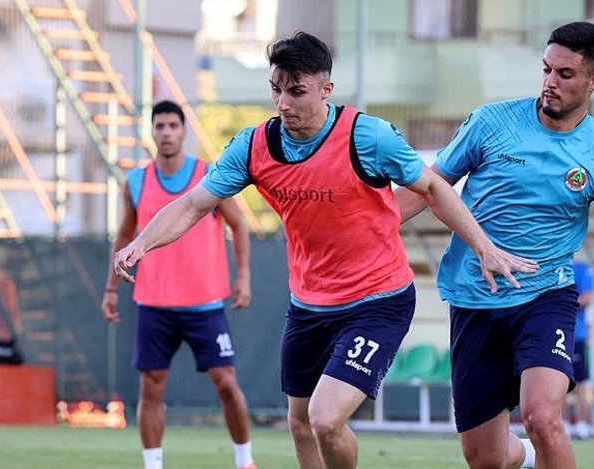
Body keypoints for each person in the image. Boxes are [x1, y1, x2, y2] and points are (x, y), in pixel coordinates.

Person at [112, 32, 537, 469]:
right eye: (276, 89)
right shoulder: (253, 147)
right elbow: (192, 205)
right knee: (300, 423)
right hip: (309, 306)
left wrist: (483, 246)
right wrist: (141, 243)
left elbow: (432, 187)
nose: (283, 103)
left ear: (325, 89)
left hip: (378, 301)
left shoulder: (368, 137)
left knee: (325, 418)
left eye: (296, 91)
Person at [397, 21, 594, 469]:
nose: (550, 82)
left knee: (542, 417)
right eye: (547, 69)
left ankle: (540, 443)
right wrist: (366, 231)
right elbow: (429, 187)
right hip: (475, 297)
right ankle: (528, 456)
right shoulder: (491, 122)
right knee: (486, 459)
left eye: (565, 74)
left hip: (545, 295)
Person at [101, 100, 256, 469]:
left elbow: (238, 225)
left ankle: (244, 460)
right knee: (150, 386)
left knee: (226, 382)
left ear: (184, 131)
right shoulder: (135, 182)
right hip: (154, 304)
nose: (166, 132)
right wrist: (110, 289)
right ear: (152, 132)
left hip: (205, 304)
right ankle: (153, 464)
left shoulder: (208, 175)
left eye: (173, 125)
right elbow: (124, 235)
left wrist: (244, 276)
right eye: (160, 126)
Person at [564, 260, 594, 440]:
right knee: (555, 383)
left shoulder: (582, 269)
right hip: (555, 335)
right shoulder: (548, 264)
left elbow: (588, 297)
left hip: (576, 336)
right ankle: (562, 424)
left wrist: (561, 303)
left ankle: (582, 424)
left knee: (580, 384)